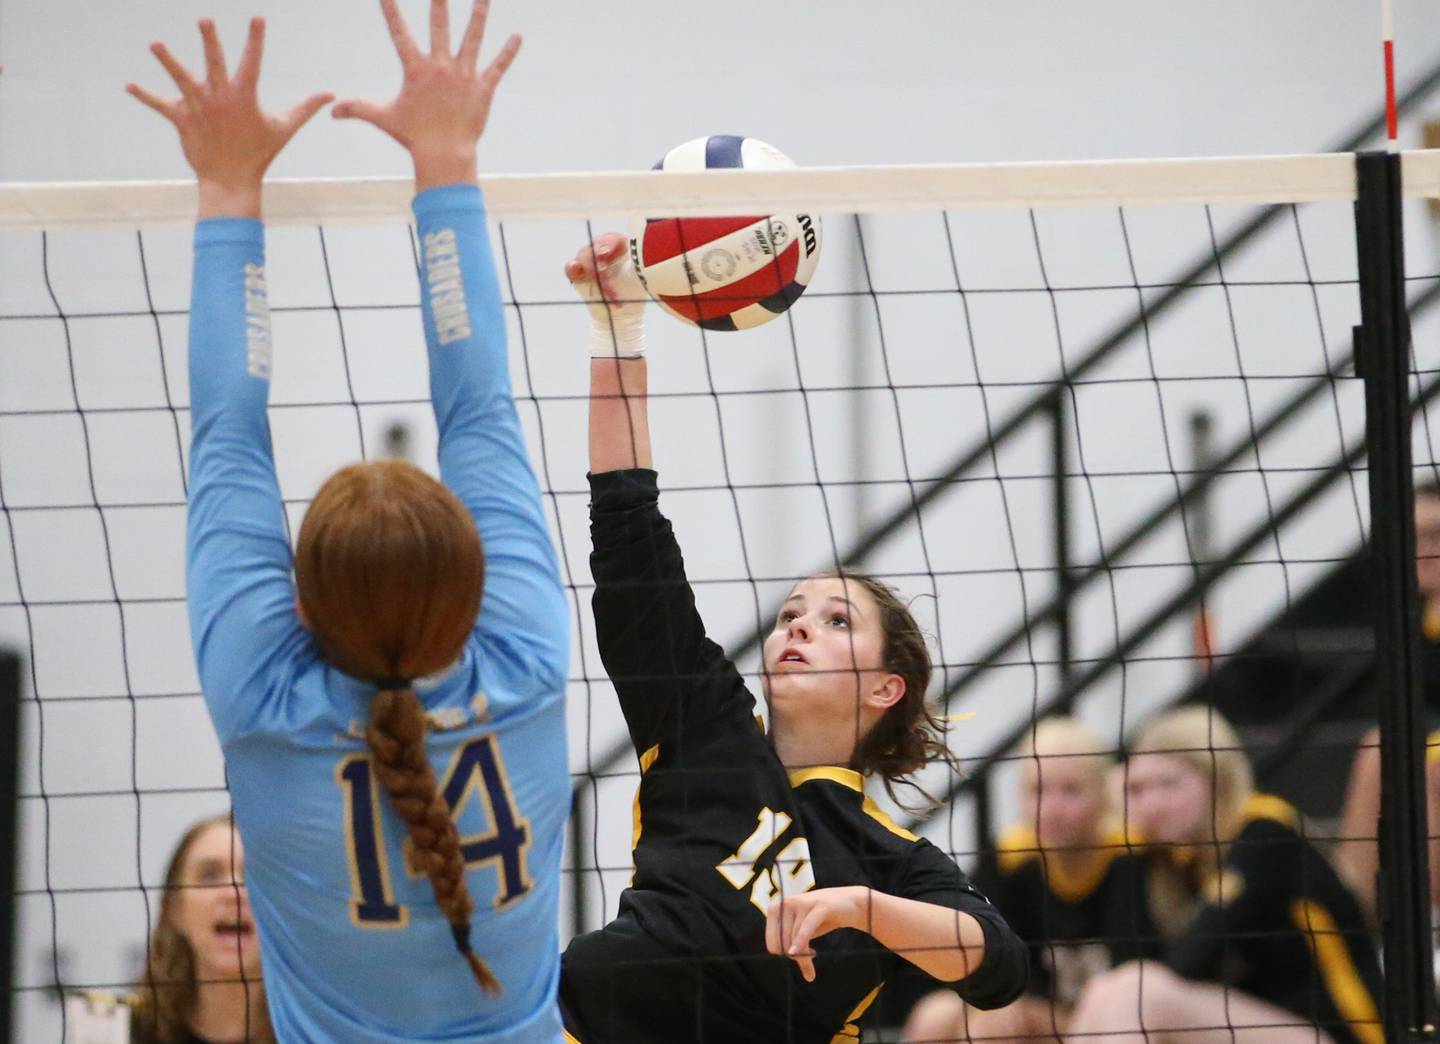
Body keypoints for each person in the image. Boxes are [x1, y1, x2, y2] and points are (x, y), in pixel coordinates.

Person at [128, 3, 571, 1040]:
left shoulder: (267, 697)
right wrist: (447, 165)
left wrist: (233, 189)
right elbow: (478, 406)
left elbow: (227, 432)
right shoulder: (524, 661)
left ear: (302, 601)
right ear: (469, 584)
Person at [556, 235, 1028, 1044]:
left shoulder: (885, 853)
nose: (799, 625)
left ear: (888, 688)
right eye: (791, 614)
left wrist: (860, 908)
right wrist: (617, 335)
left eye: (837, 621)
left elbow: (1001, 969)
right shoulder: (704, 726)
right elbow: (628, 529)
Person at [1066, 706, 1383, 1044]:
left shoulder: (1264, 831)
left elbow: (1192, 961)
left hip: (1347, 1036)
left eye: (1169, 784)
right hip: (1265, 1027)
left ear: (1215, 780)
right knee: (1106, 989)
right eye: (1139, 790)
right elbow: (1129, 955)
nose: (1152, 804)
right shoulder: (1182, 859)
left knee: (1141, 992)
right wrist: (1131, 843)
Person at [902, 717, 1154, 1044]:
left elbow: (1140, 973)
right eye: (1038, 790)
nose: (1051, 808)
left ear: (1104, 795)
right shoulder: (1011, 860)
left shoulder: (1132, 856)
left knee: (996, 1027)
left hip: (1119, 1021)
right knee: (936, 1015)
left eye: (1071, 790)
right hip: (1039, 1008)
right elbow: (983, 958)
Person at [1335, 478, 1440, 921]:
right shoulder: (1418, 621)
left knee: (1402, 759)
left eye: (1434, 535)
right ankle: (1349, 919)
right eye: (1410, 536)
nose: (1422, 548)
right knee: (1384, 751)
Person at [128, 814, 271, 1044]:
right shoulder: (129, 1033)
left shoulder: (315, 1032)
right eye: (209, 875)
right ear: (174, 909)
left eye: (253, 875)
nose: (232, 892)